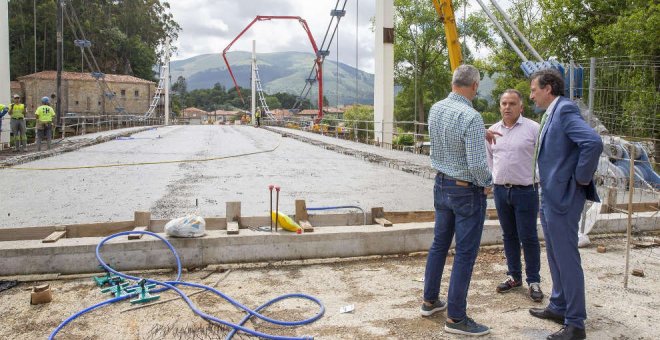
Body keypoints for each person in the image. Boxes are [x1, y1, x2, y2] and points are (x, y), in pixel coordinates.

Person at [528, 69, 602, 340]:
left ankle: (575, 323)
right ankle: (559, 305)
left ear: (548, 88)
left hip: (563, 197)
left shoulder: (565, 110)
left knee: (566, 257)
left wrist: (580, 179)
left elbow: (592, 142)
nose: (531, 95)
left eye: (534, 90)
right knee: (555, 254)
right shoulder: (552, 113)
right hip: (549, 195)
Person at [421, 64, 492, 336]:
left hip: (441, 184)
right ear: (474, 86)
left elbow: (446, 140)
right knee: (464, 253)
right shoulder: (472, 116)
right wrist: (488, 182)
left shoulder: (436, 109)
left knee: (439, 244)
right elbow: (476, 164)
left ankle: (430, 301)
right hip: (465, 191)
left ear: (454, 82)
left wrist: (478, 134)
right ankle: (456, 318)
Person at [486, 89, 544, 302]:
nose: (507, 107)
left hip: (526, 191)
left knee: (528, 237)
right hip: (502, 191)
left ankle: (534, 280)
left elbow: (542, 158)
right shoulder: (492, 131)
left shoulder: (533, 129)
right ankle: (513, 276)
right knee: (508, 235)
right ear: (499, 106)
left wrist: (536, 178)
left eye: (512, 103)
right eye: (504, 103)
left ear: (521, 106)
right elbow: (489, 159)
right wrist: (493, 180)